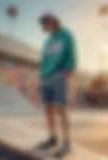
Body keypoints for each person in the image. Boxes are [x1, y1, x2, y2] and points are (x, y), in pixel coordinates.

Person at [38, 13, 77, 158]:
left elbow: (72, 53)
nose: (46, 26)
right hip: (46, 77)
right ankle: (52, 137)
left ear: (54, 21)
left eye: (47, 23)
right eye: (44, 25)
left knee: (61, 108)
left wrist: (68, 71)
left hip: (60, 75)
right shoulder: (48, 40)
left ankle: (66, 142)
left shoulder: (66, 35)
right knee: (48, 109)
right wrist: (42, 75)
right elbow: (44, 58)